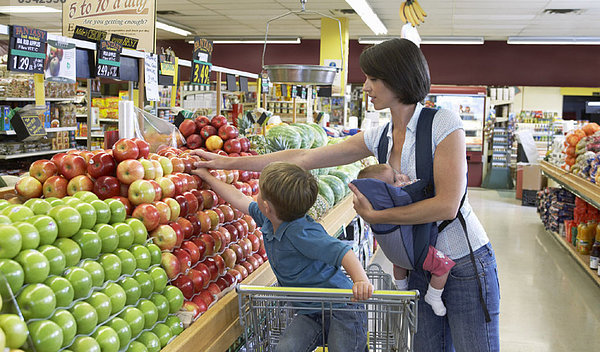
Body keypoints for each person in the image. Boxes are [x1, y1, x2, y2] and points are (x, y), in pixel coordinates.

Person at [192, 38, 500, 352]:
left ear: (399, 79)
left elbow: (447, 206)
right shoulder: (379, 135)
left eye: (373, 79)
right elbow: (302, 158)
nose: (365, 86)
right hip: (419, 266)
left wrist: (378, 217)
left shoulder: (442, 123)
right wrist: (226, 162)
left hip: (463, 263)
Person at [192, 162, 373, 352]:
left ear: (267, 206)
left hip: (342, 308)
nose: (256, 195)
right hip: (309, 312)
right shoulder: (269, 220)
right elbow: (238, 197)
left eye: (260, 192)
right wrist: (209, 179)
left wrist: (360, 280)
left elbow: (344, 252)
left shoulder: (302, 233)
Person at [355, 163, 455, 316]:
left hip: (397, 255)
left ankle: (401, 288)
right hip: (417, 253)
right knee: (443, 267)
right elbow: (419, 188)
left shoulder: (377, 205)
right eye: (395, 180)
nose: (401, 178)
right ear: (387, 192)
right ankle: (434, 296)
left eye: (397, 174)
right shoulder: (400, 198)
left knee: (400, 262)